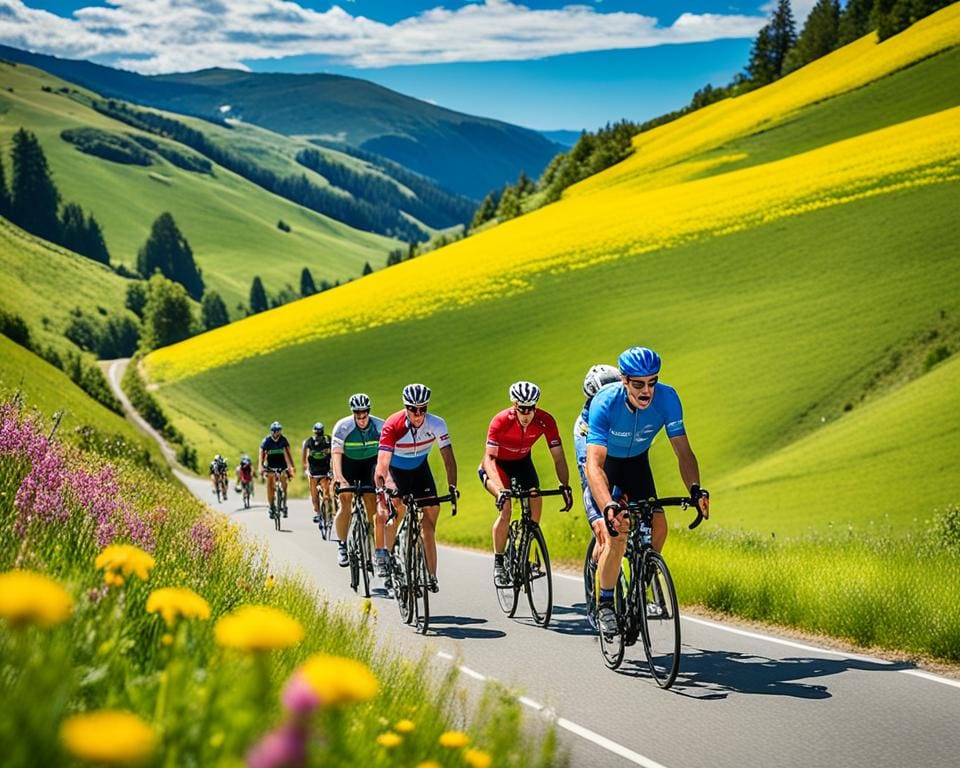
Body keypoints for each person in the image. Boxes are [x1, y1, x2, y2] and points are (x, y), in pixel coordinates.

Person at [584, 347, 710, 637]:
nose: (646, 391)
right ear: (624, 380)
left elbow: (683, 452)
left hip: (638, 463)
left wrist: (695, 489)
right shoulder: (605, 402)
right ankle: (604, 604)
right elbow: (594, 465)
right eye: (638, 384)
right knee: (617, 534)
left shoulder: (668, 398)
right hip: (609, 466)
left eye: (652, 382)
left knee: (659, 524)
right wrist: (608, 506)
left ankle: (641, 585)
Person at [480, 381, 572, 586]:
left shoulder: (545, 420)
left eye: (531, 408)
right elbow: (489, 459)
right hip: (497, 467)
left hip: (522, 463)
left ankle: (526, 554)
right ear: (514, 405)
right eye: (522, 408)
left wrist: (564, 484)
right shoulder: (501, 421)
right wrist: (501, 489)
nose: (526, 414)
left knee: (535, 501)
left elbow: (558, 456)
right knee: (505, 508)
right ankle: (499, 562)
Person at [375, 383, 458, 593]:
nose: (418, 414)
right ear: (406, 407)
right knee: (398, 508)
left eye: (423, 409)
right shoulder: (392, 425)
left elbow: (448, 457)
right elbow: (383, 461)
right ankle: (390, 555)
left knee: (429, 522)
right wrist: (384, 489)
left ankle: (431, 575)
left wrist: (452, 487)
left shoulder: (437, 424)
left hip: (421, 470)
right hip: (396, 471)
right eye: (413, 409)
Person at [575, 364, 621, 628]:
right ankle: (597, 580)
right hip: (594, 481)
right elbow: (592, 473)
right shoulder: (584, 426)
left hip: (619, 475)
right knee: (605, 535)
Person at [331, 394, 384, 568]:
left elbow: (386, 454)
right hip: (348, 464)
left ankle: (369, 541)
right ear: (353, 413)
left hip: (369, 464)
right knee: (345, 501)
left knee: (371, 502)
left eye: (364, 415)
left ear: (369, 412)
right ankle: (343, 545)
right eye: (358, 415)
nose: (361, 419)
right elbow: (336, 454)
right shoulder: (342, 426)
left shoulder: (379, 426)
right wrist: (339, 477)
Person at [259, 421, 295, 519]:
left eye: (279, 431)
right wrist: (261, 467)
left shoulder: (283, 440)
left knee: (284, 482)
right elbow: (261, 454)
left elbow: (289, 454)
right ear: (272, 431)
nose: (277, 433)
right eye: (275, 431)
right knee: (270, 484)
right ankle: (271, 506)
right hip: (270, 465)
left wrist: (292, 466)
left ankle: (284, 504)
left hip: (281, 465)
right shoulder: (266, 441)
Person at [302, 422, 333, 524]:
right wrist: (305, 468)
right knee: (314, 493)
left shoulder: (328, 440)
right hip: (313, 472)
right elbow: (304, 454)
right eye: (317, 434)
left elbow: (334, 452)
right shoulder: (309, 441)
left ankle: (328, 511)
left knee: (326, 494)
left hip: (325, 470)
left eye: (320, 434)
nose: (318, 436)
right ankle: (318, 513)